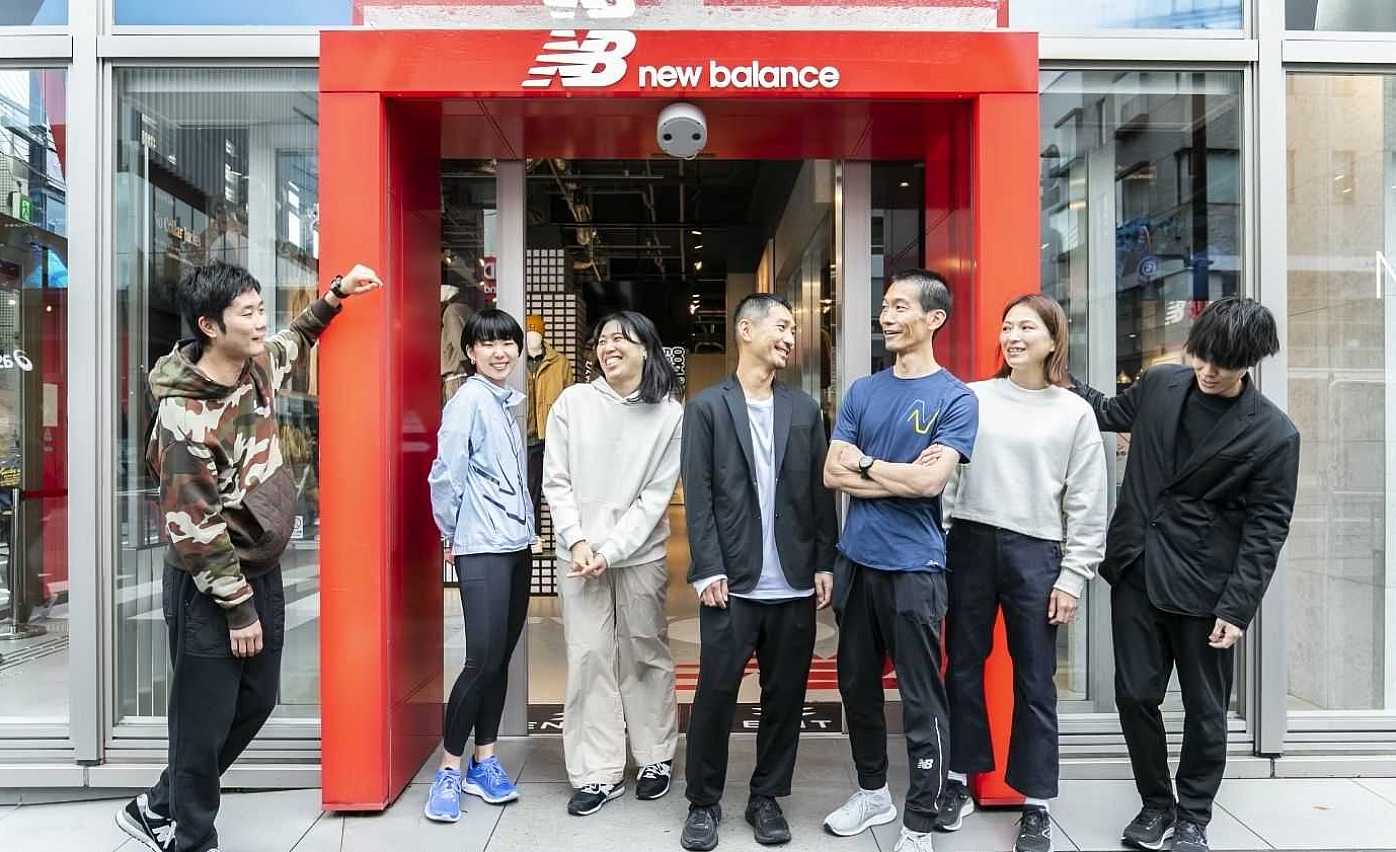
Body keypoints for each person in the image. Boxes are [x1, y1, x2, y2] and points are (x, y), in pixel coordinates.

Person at [117, 261, 383, 852]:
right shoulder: (184, 417)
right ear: (210, 326)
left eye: (261, 309)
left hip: (260, 569)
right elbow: (195, 528)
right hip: (210, 585)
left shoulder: (255, 367)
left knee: (257, 700)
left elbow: (296, 338)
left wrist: (337, 294)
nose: (262, 322)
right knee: (202, 718)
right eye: (248, 313)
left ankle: (158, 804)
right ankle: (191, 836)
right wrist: (238, 610)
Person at [1072, 298, 1300, 852]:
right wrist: (1051, 368)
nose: (1209, 370)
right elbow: (1105, 411)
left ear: (1251, 361)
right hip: (1136, 570)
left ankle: (1193, 816)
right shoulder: (1161, 384)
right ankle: (1156, 804)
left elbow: (1267, 529)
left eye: (1225, 363)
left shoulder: (1274, 434)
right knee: (1134, 696)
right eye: (1203, 356)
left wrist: (1237, 608)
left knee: (1205, 711)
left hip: (1207, 589)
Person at [933, 294, 1108, 852]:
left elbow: (1087, 500)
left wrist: (1073, 575)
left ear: (1054, 339)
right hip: (970, 542)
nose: (1012, 336)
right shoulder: (973, 397)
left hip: (1037, 551)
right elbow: (950, 476)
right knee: (962, 666)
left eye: (1026, 328)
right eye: (1007, 326)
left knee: (1035, 678)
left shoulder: (1073, 411)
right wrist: (943, 538)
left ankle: (1036, 802)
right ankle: (958, 780)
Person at [821, 269, 979, 852]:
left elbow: (930, 483)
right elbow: (831, 472)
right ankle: (872, 793)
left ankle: (920, 819)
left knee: (920, 697)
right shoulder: (863, 391)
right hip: (856, 562)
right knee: (856, 685)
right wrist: (897, 474)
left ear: (934, 319)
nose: (886, 317)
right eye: (884, 306)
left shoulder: (956, 398)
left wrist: (865, 465)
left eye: (899, 307)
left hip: (915, 567)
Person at [679, 294, 839, 851]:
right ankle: (703, 802)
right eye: (782, 326)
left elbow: (819, 492)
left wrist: (825, 560)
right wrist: (706, 567)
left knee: (785, 696)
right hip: (732, 582)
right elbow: (698, 493)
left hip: (793, 581)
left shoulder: (804, 410)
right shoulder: (706, 408)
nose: (791, 338)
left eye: (793, 329)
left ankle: (766, 797)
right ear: (746, 330)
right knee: (715, 693)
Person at [542, 310, 684, 817]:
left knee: (644, 647)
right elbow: (556, 479)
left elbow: (656, 494)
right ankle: (597, 770)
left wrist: (612, 550)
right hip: (578, 554)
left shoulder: (668, 413)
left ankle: (654, 755)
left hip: (639, 552)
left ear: (647, 349)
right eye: (603, 340)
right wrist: (578, 540)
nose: (610, 347)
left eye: (622, 338)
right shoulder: (573, 403)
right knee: (588, 655)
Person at [423, 308, 535, 823]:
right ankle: (449, 767)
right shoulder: (468, 400)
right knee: (481, 659)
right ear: (470, 352)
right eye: (487, 344)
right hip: (482, 544)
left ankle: (483, 761)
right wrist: (453, 533)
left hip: (515, 544)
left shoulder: (504, 403)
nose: (499, 352)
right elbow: (445, 474)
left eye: (507, 343)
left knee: (499, 658)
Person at [524, 314, 572, 534]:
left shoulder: (559, 362)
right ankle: (534, 536)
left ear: (542, 334)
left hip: (553, 435)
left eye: (535, 332)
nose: (532, 336)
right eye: (528, 332)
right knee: (530, 489)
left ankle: (565, 534)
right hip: (528, 436)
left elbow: (569, 398)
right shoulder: (517, 362)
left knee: (560, 488)